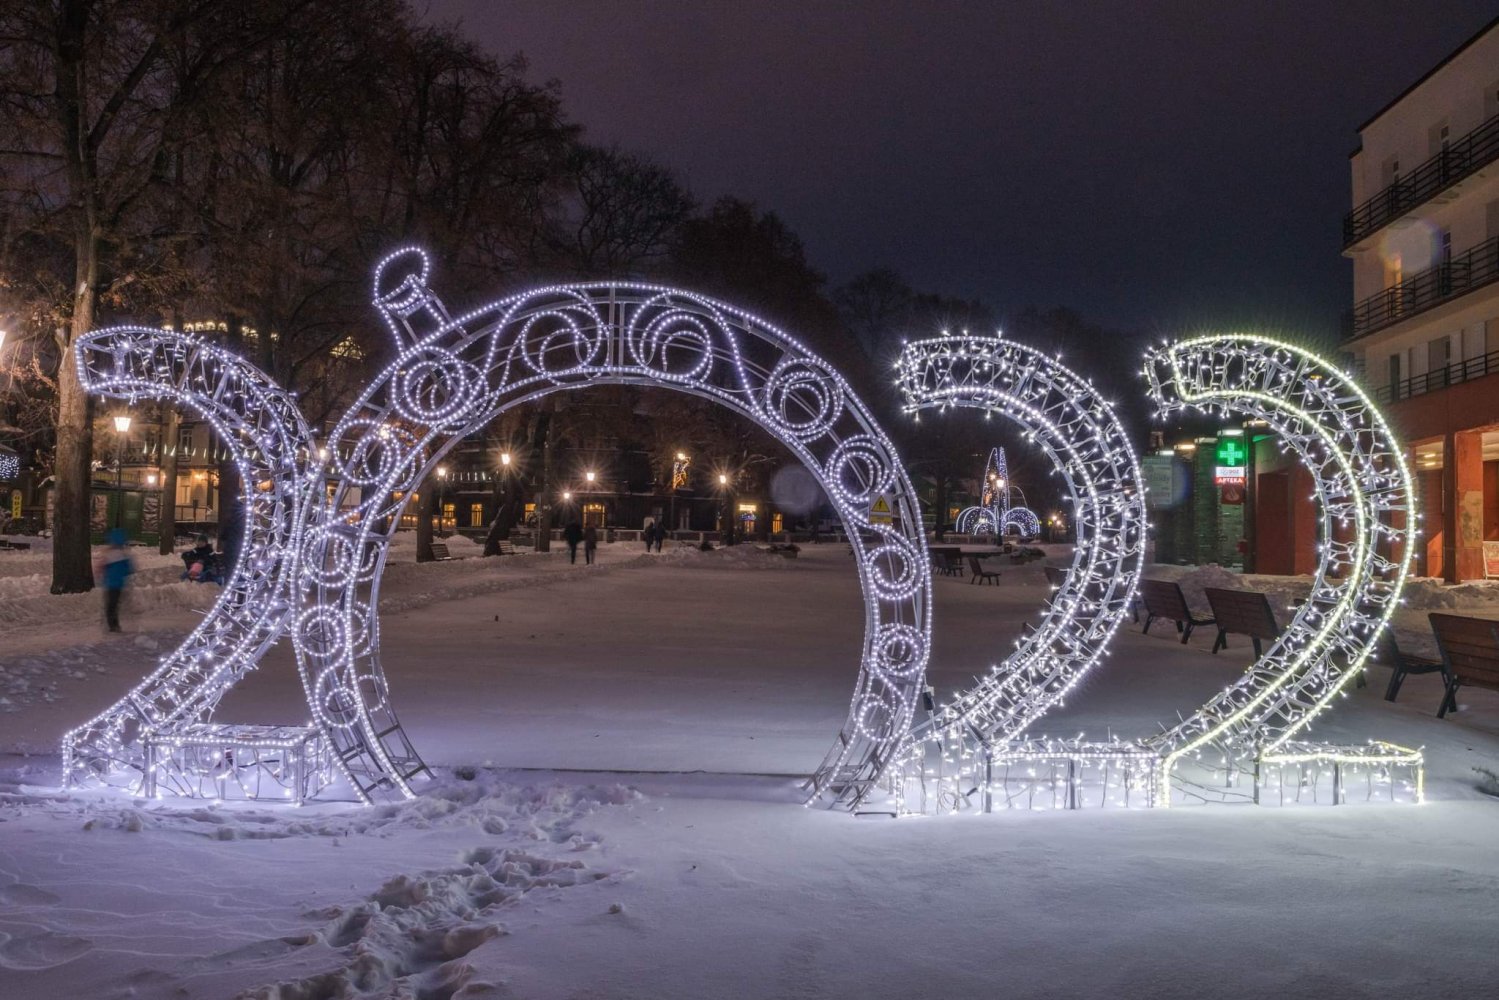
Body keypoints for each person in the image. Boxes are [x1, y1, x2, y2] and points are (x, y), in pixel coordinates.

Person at [95, 528, 135, 632]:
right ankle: (115, 624)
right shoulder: (124, 555)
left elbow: (100, 567)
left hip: (109, 583)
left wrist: (100, 575)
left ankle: (112, 624)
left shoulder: (109, 554)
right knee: (115, 604)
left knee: (110, 605)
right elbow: (130, 569)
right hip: (119, 583)